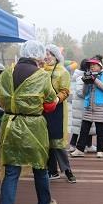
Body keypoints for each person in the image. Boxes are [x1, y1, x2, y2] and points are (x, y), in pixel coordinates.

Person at [0, 40, 59, 204]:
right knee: (40, 167)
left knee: (11, 171)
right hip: (34, 125)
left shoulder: (6, 73)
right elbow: (50, 102)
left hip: (10, 124)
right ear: (38, 56)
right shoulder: (42, 76)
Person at [43, 44, 75, 183]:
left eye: (50, 54)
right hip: (42, 109)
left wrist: (56, 99)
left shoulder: (63, 72)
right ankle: (52, 171)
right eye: (45, 54)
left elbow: (65, 91)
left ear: (56, 57)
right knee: (46, 140)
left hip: (57, 109)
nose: (47, 56)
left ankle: (67, 170)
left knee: (58, 142)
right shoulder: (40, 71)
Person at [71, 58, 103, 158]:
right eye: (90, 65)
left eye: (94, 64)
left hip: (101, 106)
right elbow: (84, 93)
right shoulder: (89, 75)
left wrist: (94, 79)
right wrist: (85, 82)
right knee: (84, 129)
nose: (92, 66)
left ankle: (100, 150)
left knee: (100, 130)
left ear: (100, 66)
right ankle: (79, 149)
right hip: (88, 106)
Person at [68, 59, 96, 153]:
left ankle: (84, 145)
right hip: (82, 105)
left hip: (80, 105)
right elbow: (81, 92)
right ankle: (76, 145)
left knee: (82, 126)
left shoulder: (79, 75)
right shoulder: (82, 77)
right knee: (82, 126)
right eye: (91, 66)